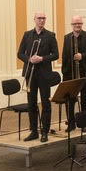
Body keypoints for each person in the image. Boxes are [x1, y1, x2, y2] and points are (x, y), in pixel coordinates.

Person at [16, 12, 59, 141]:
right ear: (34, 19)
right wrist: (29, 59)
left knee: (46, 103)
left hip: (44, 74)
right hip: (31, 74)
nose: (41, 20)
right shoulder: (27, 35)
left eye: (43, 18)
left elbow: (56, 55)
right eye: (39, 18)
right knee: (31, 103)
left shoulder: (50, 36)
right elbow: (19, 53)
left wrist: (42, 58)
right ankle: (34, 131)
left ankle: (44, 131)